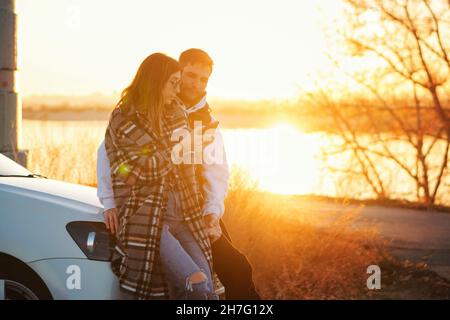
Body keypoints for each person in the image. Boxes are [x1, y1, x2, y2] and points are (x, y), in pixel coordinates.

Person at [98, 48, 261, 300]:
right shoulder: (145, 110)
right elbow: (110, 155)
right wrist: (109, 200)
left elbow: (217, 172)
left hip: (193, 208)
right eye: (189, 76)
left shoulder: (203, 121)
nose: (196, 84)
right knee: (199, 281)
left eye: (203, 79)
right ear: (177, 72)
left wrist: (212, 211)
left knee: (236, 270)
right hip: (153, 211)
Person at [104, 52, 217, 300]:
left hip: (186, 212)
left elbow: (190, 163)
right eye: (173, 83)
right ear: (155, 82)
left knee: (209, 290)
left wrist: (211, 209)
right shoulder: (124, 119)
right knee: (195, 284)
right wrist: (178, 149)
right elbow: (136, 172)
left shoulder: (176, 112)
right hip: (149, 215)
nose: (178, 90)